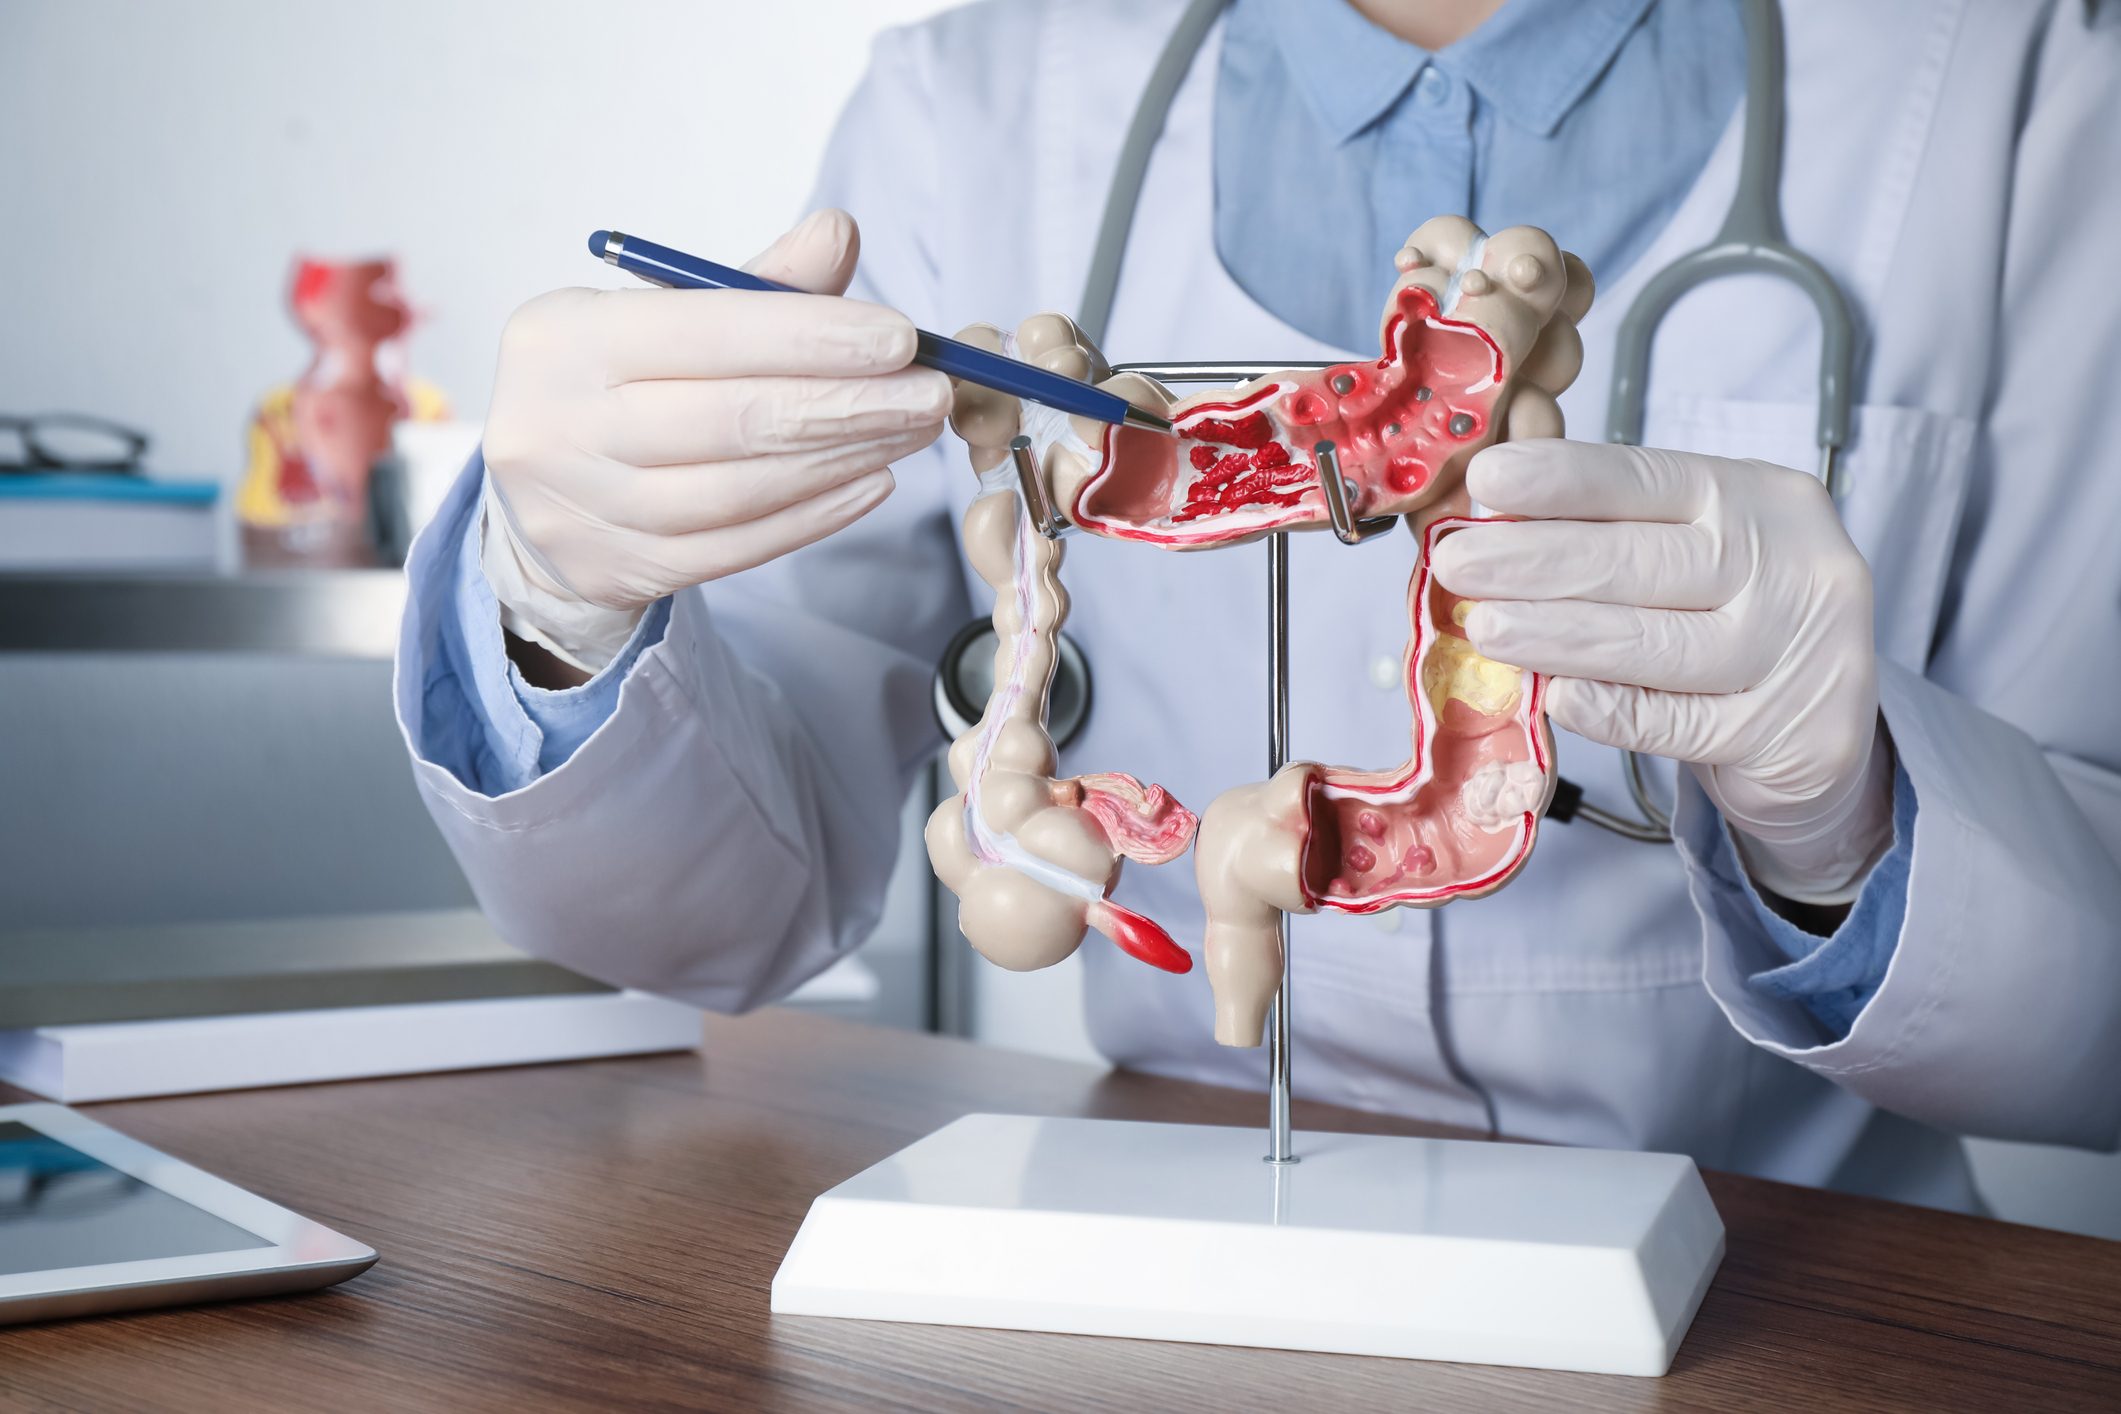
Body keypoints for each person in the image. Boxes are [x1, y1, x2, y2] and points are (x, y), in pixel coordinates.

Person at [395, 0, 2121, 1210]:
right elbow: (723, 910)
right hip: (1160, 1241)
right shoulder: (969, 102)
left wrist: (1848, 818)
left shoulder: (2023, 85)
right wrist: (560, 598)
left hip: (1803, 1277)